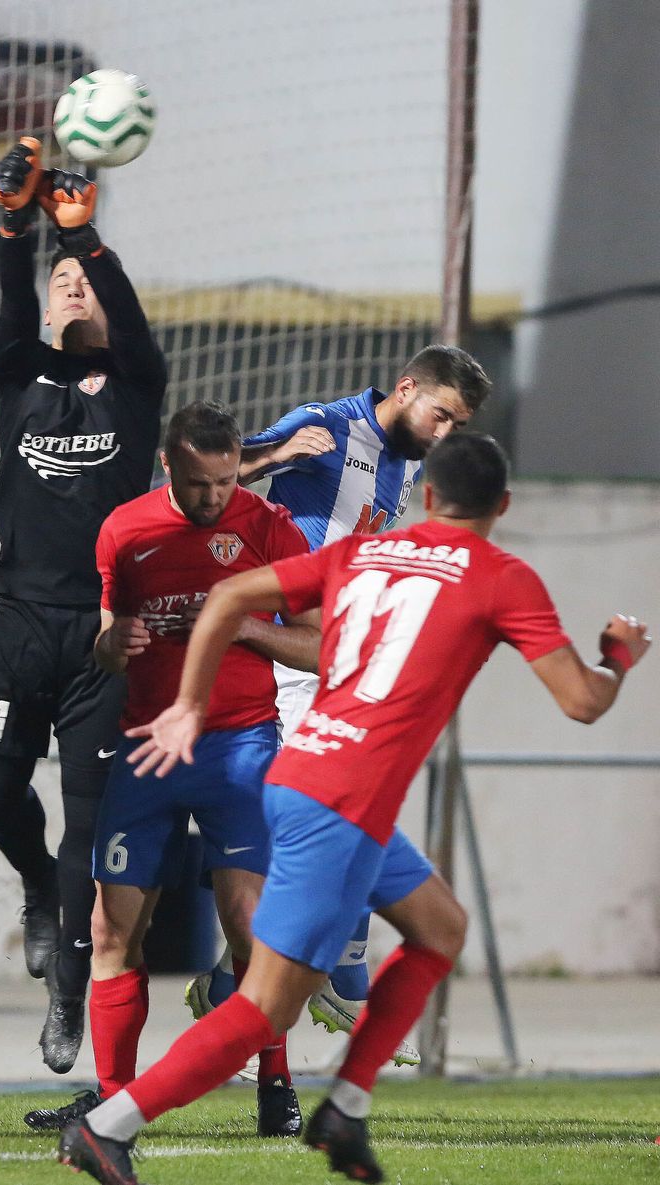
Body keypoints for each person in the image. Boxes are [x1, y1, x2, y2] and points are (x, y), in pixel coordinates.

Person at [57, 432, 649, 1185]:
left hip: (311, 773)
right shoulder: (503, 575)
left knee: (440, 927)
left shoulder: (363, 553)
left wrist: (188, 702)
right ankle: (107, 1128)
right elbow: (582, 700)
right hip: (340, 800)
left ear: (427, 496)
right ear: (502, 506)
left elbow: (233, 593)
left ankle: (346, 1105)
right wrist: (618, 654)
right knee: (263, 1010)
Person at [187, 344, 491, 1062]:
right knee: (337, 811)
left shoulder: (412, 456)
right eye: (442, 413)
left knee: (346, 816)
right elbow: (205, 475)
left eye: (459, 423)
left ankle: (243, 991)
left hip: (336, 658)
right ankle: (319, 979)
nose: (446, 431)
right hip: (291, 655)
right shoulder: (324, 425)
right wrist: (274, 455)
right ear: (407, 387)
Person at [25, 401, 317, 1139]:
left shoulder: (268, 528)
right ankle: (115, 1099)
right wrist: (112, 643)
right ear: (168, 466)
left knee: (250, 929)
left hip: (240, 746)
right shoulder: (126, 530)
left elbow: (322, 645)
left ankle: (275, 1081)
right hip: (147, 749)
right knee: (112, 926)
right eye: (196, 483)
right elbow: (103, 640)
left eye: (222, 482)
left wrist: (241, 623)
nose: (211, 498)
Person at [0, 137, 167, 1075]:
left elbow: (126, 315)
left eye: (79, 280)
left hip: (101, 639)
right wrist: (18, 226)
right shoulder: (21, 371)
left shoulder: (137, 384)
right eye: (60, 282)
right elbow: (13, 299)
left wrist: (84, 239)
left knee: (88, 836)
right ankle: (34, 893)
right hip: (18, 624)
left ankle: (67, 1004)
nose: (70, 288)